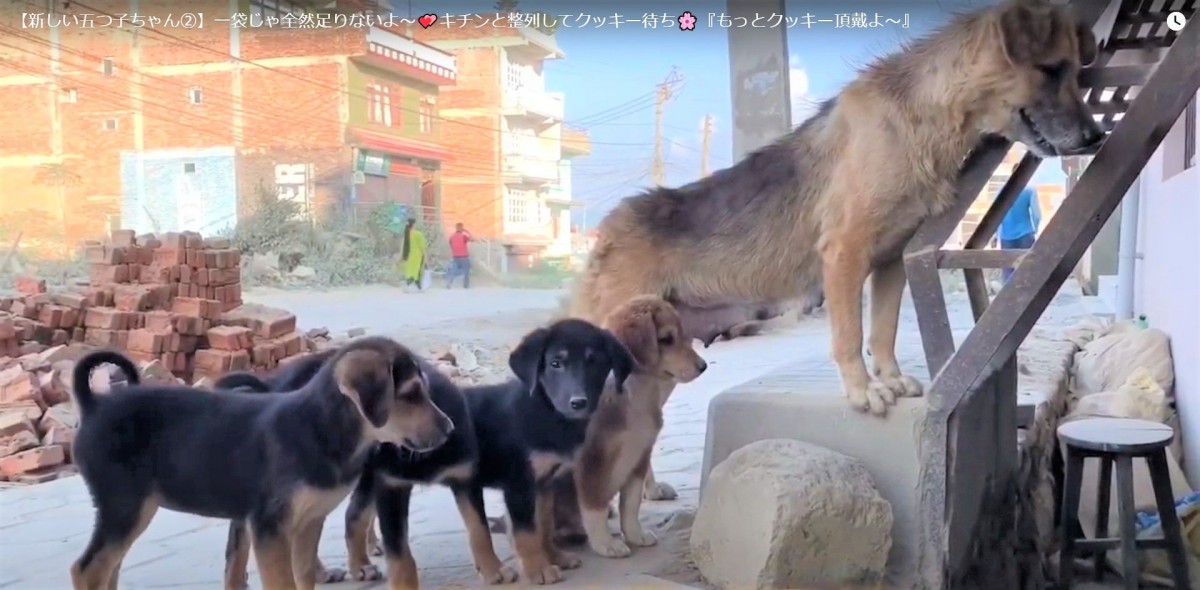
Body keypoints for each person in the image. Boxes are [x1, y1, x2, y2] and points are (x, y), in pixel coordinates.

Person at [998, 186, 1042, 284]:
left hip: (1006, 235)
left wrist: (995, 235)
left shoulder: (1002, 191)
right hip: (1026, 233)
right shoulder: (1030, 191)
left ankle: (1008, 294)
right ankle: (1027, 294)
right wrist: (1035, 228)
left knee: (1007, 269)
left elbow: (996, 214)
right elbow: (1037, 215)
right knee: (1027, 267)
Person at [400, 218, 427, 291]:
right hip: (417, 255)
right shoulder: (418, 234)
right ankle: (409, 283)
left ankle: (418, 286)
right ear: (414, 224)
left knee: (411, 270)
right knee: (417, 271)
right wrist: (425, 255)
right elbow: (422, 246)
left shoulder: (406, 234)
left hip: (408, 255)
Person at [446, 222, 472, 289]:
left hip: (455, 256)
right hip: (464, 256)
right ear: (462, 228)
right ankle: (466, 285)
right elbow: (470, 238)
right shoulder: (463, 236)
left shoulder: (452, 236)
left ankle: (449, 281)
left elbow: (451, 245)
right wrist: (466, 231)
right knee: (466, 270)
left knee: (453, 270)